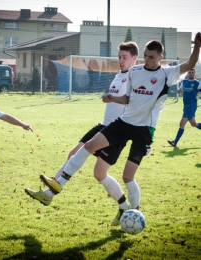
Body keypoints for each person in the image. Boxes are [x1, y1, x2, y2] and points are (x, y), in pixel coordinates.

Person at [31, 32, 201, 225]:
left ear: (160, 58)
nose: (147, 59)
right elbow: (127, 98)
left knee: (127, 176)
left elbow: (189, 64)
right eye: (145, 55)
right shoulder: (135, 72)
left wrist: (196, 46)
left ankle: (134, 213)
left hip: (143, 130)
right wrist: (113, 98)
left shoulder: (166, 73)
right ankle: (58, 184)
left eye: (151, 57)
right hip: (124, 122)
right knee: (88, 146)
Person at [25, 41, 140, 226]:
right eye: (119, 57)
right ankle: (49, 194)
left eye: (124, 57)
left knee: (99, 173)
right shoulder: (120, 74)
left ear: (135, 58)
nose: (121, 60)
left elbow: (133, 102)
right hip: (103, 125)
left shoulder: (136, 76)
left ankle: (125, 206)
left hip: (117, 131)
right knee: (73, 153)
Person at [167, 68, 201, 147]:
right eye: (189, 72)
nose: (191, 74)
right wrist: (179, 90)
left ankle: (174, 142)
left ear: (194, 74)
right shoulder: (184, 82)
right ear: (187, 74)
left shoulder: (197, 83)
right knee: (194, 123)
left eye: (192, 73)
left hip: (191, 106)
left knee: (181, 123)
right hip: (185, 105)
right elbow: (180, 90)